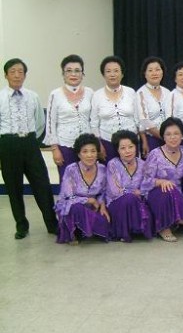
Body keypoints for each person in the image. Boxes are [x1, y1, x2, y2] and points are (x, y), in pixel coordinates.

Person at [0, 59, 57, 239]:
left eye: (20, 72)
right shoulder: (0, 97)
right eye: (13, 71)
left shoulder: (33, 96)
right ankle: (21, 226)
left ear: (25, 75)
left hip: (30, 143)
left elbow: (40, 122)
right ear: (6, 75)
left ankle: (52, 224)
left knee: (42, 184)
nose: (17, 75)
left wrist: (30, 139)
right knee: (14, 187)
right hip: (8, 144)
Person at [141, 117, 183, 242]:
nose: (173, 137)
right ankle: (164, 228)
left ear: (182, 135)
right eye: (168, 134)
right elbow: (145, 182)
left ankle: (177, 216)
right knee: (167, 190)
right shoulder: (155, 154)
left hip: (177, 192)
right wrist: (161, 182)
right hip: (157, 193)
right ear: (163, 137)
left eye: (176, 133)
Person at [44, 54, 94, 182]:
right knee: (68, 182)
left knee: (87, 181)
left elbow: (94, 120)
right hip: (65, 146)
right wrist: (55, 149)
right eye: (69, 70)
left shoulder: (90, 92)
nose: (73, 74)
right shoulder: (55, 94)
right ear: (63, 74)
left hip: (87, 147)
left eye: (77, 70)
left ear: (82, 74)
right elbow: (50, 123)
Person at [55, 133, 110, 244]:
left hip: (93, 208)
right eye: (85, 151)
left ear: (97, 153)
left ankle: (88, 229)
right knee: (77, 209)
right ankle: (74, 233)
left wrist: (102, 206)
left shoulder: (102, 169)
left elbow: (103, 192)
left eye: (93, 151)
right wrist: (89, 200)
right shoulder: (71, 170)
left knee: (105, 222)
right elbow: (69, 197)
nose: (89, 155)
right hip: (72, 207)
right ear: (79, 154)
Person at [106, 130, 152, 242]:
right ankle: (124, 232)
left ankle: (136, 229)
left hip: (138, 201)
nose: (127, 151)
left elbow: (147, 187)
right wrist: (133, 193)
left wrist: (141, 192)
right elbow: (115, 191)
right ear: (117, 150)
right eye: (123, 148)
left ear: (136, 147)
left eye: (131, 147)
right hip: (117, 203)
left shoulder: (143, 164)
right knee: (129, 198)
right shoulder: (113, 164)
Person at [90, 56, 139, 162]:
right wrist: (99, 145)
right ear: (103, 74)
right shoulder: (97, 95)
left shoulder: (131, 92)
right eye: (108, 71)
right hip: (107, 143)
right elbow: (94, 124)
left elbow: (138, 119)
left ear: (122, 74)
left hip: (130, 143)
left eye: (116, 71)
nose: (112, 74)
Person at [136, 56, 170, 157]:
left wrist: (171, 136)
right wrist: (164, 137)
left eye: (157, 69)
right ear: (145, 74)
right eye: (150, 70)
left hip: (170, 139)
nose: (154, 73)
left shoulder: (167, 92)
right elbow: (144, 121)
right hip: (151, 139)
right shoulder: (140, 93)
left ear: (162, 72)